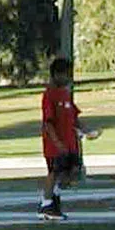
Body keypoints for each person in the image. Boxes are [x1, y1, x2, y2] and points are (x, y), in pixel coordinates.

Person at [37, 56, 98, 220]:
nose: (68, 78)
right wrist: (57, 143)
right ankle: (45, 204)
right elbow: (48, 123)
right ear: (56, 74)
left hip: (69, 143)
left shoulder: (66, 94)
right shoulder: (49, 95)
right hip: (54, 145)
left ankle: (54, 198)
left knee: (73, 172)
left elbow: (75, 118)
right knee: (53, 172)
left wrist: (87, 131)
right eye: (65, 74)